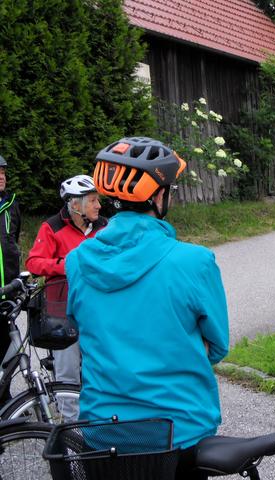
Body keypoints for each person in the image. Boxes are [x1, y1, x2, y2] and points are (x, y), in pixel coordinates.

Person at [65, 137, 229, 479]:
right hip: (177, 433)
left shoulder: (77, 261)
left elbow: (84, 328)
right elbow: (216, 347)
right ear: (157, 195)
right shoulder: (195, 261)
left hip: (101, 434)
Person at [25, 174, 107, 420]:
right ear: (75, 205)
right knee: (67, 372)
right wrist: (68, 265)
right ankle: (70, 425)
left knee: (99, 366)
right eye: (92, 200)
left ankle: (98, 419)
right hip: (63, 311)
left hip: (99, 310)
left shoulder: (105, 226)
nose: (98, 205)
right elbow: (34, 263)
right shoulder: (52, 226)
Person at [0, 154, 21, 405]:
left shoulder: (12, 204)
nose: (2, 176)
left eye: (3, 172)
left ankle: (6, 401)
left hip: (8, 292)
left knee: (9, 348)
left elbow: (12, 239)